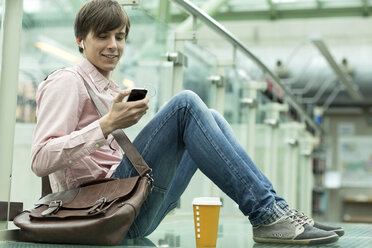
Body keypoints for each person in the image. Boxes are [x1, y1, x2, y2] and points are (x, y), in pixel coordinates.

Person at [30, 0, 344, 245]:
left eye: (120, 36)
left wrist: (111, 122)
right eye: (103, 36)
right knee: (186, 105)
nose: (114, 45)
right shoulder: (66, 81)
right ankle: (267, 215)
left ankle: (277, 210)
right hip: (99, 213)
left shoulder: (108, 89)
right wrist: (107, 125)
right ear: (80, 40)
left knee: (213, 118)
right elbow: (40, 159)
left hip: (125, 208)